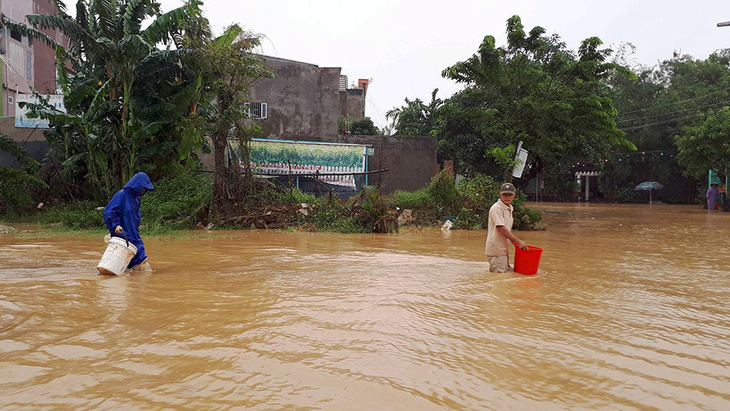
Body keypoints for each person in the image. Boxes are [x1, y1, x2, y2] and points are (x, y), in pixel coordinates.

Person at [104, 172, 154, 270]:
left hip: (133, 233)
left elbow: (134, 215)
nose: (144, 191)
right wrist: (116, 225)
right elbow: (110, 212)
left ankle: (130, 276)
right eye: (143, 188)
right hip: (123, 233)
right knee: (141, 259)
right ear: (137, 185)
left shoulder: (136, 198)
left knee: (131, 261)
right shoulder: (121, 195)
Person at [485, 182, 528, 273]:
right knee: (500, 281)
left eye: (509, 195)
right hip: (496, 251)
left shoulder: (509, 208)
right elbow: (501, 228)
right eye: (504, 195)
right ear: (500, 195)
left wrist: (515, 242)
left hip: (503, 250)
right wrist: (518, 241)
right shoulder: (497, 208)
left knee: (506, 275)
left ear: (514, 196)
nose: (507, 197)